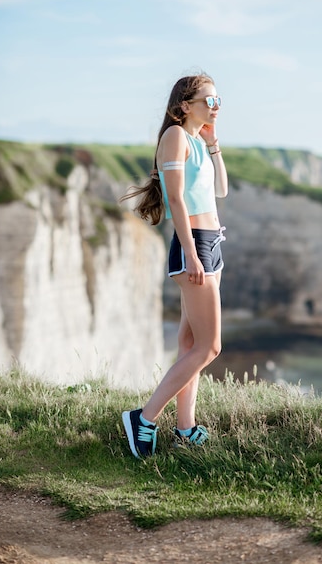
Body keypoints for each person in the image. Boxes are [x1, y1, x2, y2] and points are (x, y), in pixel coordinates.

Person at [119, 72, 228, 458]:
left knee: (188, 343)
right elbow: (177, 201)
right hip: (193, 245)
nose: (217, 107)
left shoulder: (198, 140)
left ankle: (186, 429)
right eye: (209, 100)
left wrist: (214, 146)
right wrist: (193, 253)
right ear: (185, 105)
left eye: (218, 100)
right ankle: (144, 418)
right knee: (209, 347)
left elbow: (220, 190)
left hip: (211, 243)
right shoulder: (176, 137)